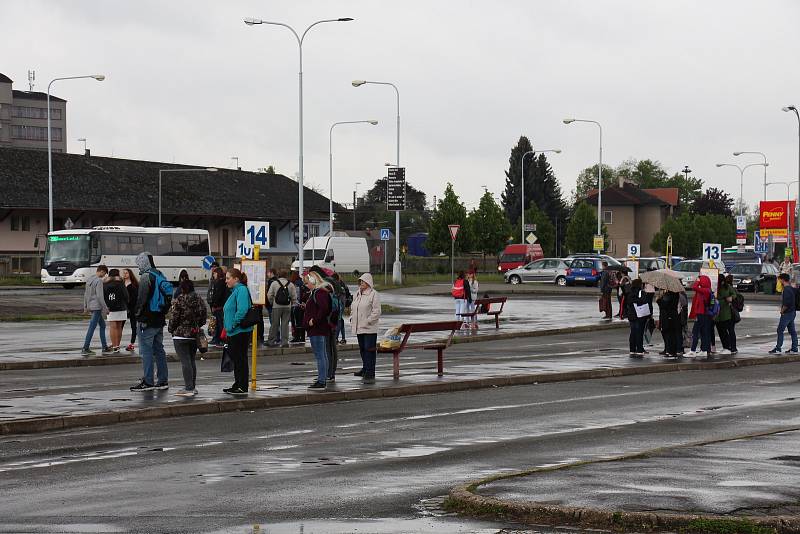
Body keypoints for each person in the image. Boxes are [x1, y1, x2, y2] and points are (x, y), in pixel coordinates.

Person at [130, 253, 170, 392]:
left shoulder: (146, 277)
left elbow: (141, 299)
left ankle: (148, 381)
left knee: (146, 352)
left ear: (143, 262)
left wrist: (137, 315)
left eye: (139, 263)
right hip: (159, 319)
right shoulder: (160, 274)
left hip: (147, 320)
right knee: (159, 350)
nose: (138, 266)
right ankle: (163, 380)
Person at [168, 279, 207, 397]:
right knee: (191, 361)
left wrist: (171, 329)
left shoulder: (180, 300)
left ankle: (188, 387)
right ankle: (192, 386)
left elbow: (174, 318)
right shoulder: (199, 299)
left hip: (180, 335)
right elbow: (203, 317)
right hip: (194, 335)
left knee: (185, 361)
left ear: (183, 288)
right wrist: (196, 326)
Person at [222, 268, 253, 396]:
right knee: (237, 359)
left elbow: (242, 310)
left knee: (240, 359)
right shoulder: (236, 291)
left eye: (228, 278)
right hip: (234, 332)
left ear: (236, 279)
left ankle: (242, 386)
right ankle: (238, 384)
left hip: (239, 331)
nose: (226, 281)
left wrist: (233, 325)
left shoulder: (241, 290)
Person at [304, 271, 333, 390]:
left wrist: (313, 321)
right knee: (322, 354)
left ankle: (321, 380)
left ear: (313, 281)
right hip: (318, 328)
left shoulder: (319, 292)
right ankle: (323, 378)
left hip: (317, 328)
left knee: (320, 355)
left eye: (307, 283)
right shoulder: (318, 292)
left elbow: (323, 308)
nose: (306, 285)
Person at [351, 273, 381, 383]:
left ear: (368, 283)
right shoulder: (357, 294)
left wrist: (368, 321)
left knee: (369, 350)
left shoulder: (374, 294)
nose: (361, 283)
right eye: (360, 282)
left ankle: (370, 371)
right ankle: (365, 368)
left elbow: (376, 311)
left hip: (369, 328)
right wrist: (351, 317)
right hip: (359, 327)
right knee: (362, 349)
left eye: (363, 282)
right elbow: (354, 308)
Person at [81, 265, 110, 356]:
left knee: (103, 325)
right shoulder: (99, 281)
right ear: (101, 271)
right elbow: (100, 296)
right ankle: (85, 347)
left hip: (91, 306)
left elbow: (86, 294)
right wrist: (105, 308)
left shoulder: (90, 279)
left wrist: (85, 306)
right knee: (92, 327)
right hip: (97, 307)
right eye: (104, 273)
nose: (104, 275)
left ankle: (104, 346)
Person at [267, 269, 297, 348]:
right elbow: (294, 296)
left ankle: (271, 341)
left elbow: (269, 295)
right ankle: (284, 342)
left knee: (275, 324)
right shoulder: (290, 284)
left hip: (276, 306)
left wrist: (272, 302)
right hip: (287, 306)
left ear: (279, 275)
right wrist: (292, 303)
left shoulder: (274, 283)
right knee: (285, 324)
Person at [769, 273, 798, 354]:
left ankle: (778, 348)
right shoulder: (791, 288)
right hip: (792, 312)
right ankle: (794, 348)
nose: (779, 281)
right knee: (792, 331)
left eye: (779, 279)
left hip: (787, 313)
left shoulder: (786, 289)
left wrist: (782, 311)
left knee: (780, 330)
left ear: (782, 279)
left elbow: (786, 303)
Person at [104, 268, 129, 353]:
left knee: (112, 327)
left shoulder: (105, 284)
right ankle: (117, 345)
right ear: (117, 275)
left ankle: (114, 346)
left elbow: (103, 296)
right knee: (119, 327)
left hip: (110, 308)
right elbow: (126, 295)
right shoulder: (121, 283)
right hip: (121, 307)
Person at [689, 275, 713, 359]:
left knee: (695, 332)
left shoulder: (704, 290)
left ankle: (693, 350)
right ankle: (704, 350)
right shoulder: (708, 290)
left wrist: (698, 281)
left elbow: (694, 287)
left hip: (701, 314)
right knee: (704, 332)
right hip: (706, 314)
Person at [715, 274, 739, 356]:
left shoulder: (727, 287)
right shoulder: (716, 288)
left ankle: (729, 347)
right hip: (719, 313)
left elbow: (735, 294)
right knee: (722, 331)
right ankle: (727, 347)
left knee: (725, 331)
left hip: (726, 313)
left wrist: (731, 298)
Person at [625, 278, 649, 356]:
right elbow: (644, 301)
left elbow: (628, 302)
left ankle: (632, 349)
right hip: (639, 315)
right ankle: (639, 349)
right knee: (639, 332)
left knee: (633, 332)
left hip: (631, 315)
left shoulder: (630, 292)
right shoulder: (641, 292)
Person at [656, 290, 681, 357]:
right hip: (674, 316)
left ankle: (670, 351)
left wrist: (658, 300)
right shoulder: (676, 293)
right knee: (673, 334)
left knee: (669, 334)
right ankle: (672, 351)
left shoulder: (669, 294)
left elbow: (664, 305)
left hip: (668, 316)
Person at [207, 267, 227, 347]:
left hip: (219, 307)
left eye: (214, 273)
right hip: (218, 306)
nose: (213, 275)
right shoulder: (218, 282)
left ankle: (220, 339)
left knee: (219, 324)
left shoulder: (220, 283)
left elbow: (218, 296)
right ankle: (217, 338)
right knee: (217, 324)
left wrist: (214, 305)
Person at [332, 272, 352, 344]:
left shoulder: (337, 286)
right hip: (341, 305)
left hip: (339, 305)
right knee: (341, 321)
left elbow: (339, 297)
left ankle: (336, 338)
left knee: (339, 321)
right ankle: (343, 338)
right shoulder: (342, 284)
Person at [123, 268, 139, 352]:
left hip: (132, 308)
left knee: (133, 326)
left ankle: (132, 344)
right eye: (124, 273)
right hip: (123, 308)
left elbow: (135, 297)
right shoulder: (121, 283)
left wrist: (130, 306)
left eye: (126, 273)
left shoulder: (134, 284)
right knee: (120, 326)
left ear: (130, 274)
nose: (124, 274)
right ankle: (116, 343)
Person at [289, 271, 308, 343]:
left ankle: (296, 337)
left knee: (295, 322)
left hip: (296, 305)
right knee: (301, 322)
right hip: (302, 306)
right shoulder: (302, 283)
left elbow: (296, 296)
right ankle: (302, 337)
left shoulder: (295, 284)